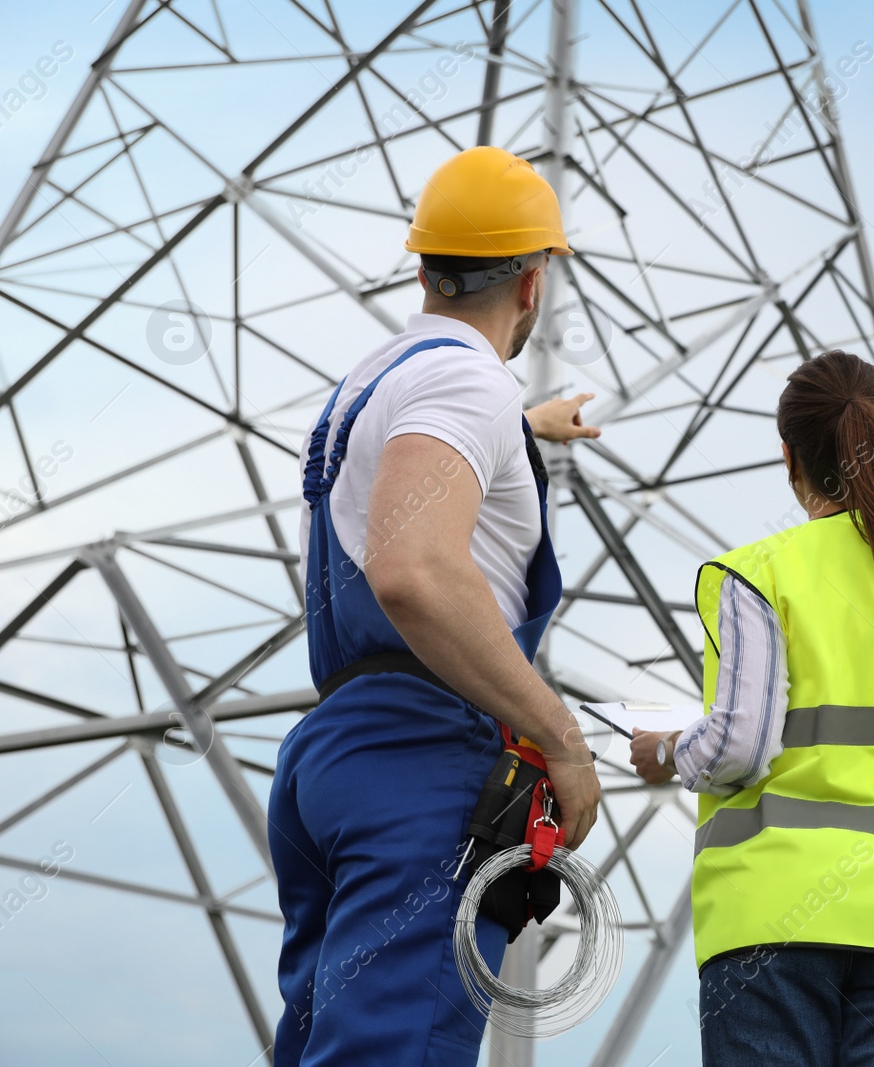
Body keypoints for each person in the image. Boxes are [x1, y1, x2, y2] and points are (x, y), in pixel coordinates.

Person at [268, 146, 602, 1066]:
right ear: (532, 283)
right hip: (424, 751)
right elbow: (412, 567)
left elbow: (412, 469)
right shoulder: (469, 382)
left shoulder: (375, 380)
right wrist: (560, 738)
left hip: (336, 753)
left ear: (424, 268)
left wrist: (527, 430)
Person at [629, 350, 874, 1066]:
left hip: (774, 924)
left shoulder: (757, 574)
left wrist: (664, 750)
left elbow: (738, 746)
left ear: (789, 456)